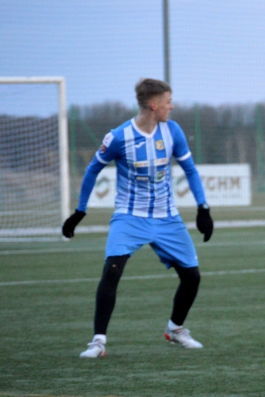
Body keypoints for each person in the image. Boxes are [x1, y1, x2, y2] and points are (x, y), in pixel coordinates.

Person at [62, 78, 214, 358]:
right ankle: (98, 342)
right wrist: (80, 211)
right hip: (129, 217)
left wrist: (202, 207)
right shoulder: (119, 137)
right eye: (168, 101)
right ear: (154, 105)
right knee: (112, 270)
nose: (172, 106)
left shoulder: (172, 131)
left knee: (192, 277)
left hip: (167, 217)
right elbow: (93, 169)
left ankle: (175, 329)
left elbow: (190, 169)